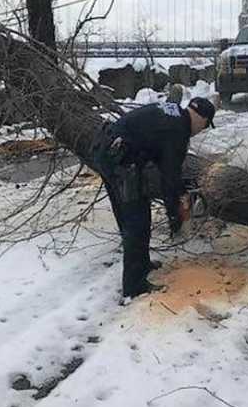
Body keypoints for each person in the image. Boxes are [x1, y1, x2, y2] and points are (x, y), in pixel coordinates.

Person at [92, 96, 215, 300]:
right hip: (121, 160)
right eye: (204, 127)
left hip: (107, 148)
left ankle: (142, 264)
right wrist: (175, 218)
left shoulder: (173, 112)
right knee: (137, 222)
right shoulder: (179, 132)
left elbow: (163, 164)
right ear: (202, 119)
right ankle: (134, 286)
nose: (200, 131)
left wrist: (177, 196)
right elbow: (169, 178)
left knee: (129, 213)